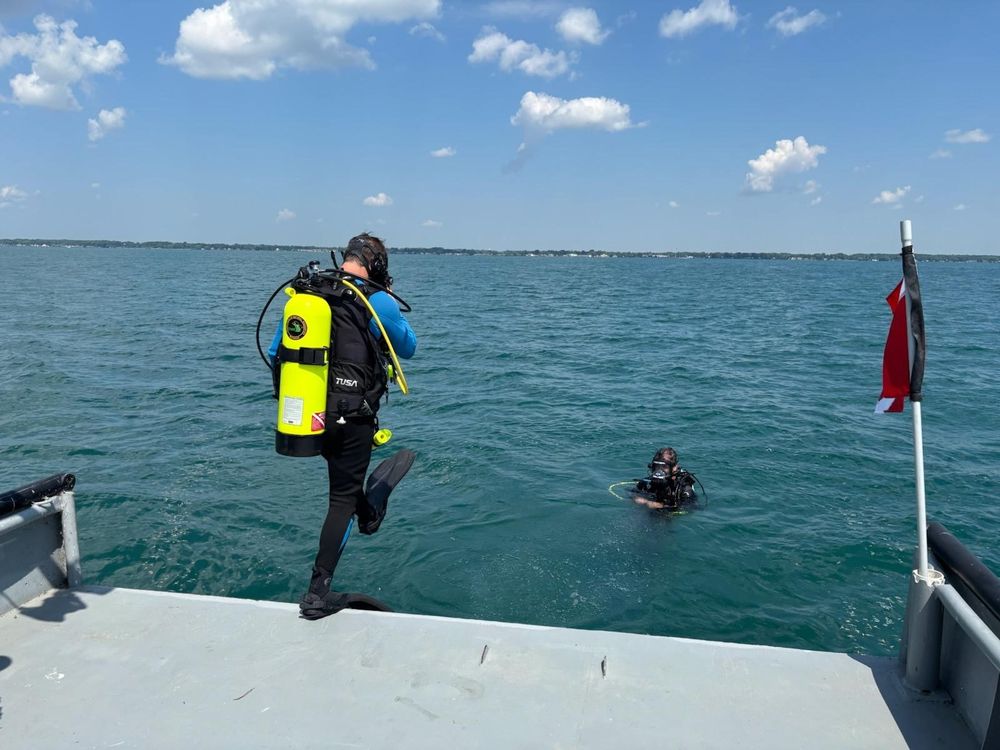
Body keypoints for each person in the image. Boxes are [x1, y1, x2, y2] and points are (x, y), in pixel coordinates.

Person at [271, 233, 417, 619]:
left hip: (307, 414)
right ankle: (318, 593)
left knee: (345, 487)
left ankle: (368, 511)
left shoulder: (309, 295)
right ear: (378, 265)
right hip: (353, 416)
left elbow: (275, 352)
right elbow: (409, 346)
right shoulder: (377, 298)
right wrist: (384, 297)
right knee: (341, 500)